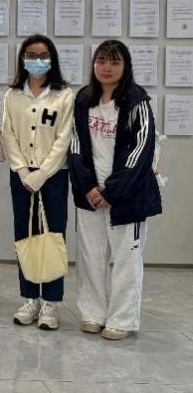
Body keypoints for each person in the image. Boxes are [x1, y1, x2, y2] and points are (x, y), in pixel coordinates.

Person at [69, 39, 162, 340]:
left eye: (114, 62)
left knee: (126, 260)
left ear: (125, 66)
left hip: (126, 197)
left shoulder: (137, 103)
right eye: (101, 61)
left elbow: (141, 152)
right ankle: (92, 314)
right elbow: (75, 146)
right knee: (90, 257)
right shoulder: (83, 99)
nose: (106, 68)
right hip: (90, 196)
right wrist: (89, 187)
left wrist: (111, 192)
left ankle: (122, 320)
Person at [2, 34, 73, 331]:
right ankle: (30, 298)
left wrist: (42, 174)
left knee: (53, 234)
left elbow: (64, 138)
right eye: (31, 55)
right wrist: (22, 171)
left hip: (53, 176)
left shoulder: (64, 95)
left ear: (52, 59)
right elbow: (8, 134)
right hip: (21, 175)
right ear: (23, 59)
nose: (37, 60)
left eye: (43, 55)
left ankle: (51, 303)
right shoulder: (12, 95)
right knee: (25, 235)